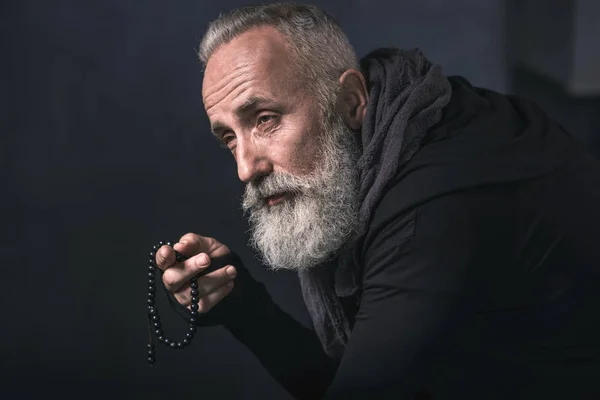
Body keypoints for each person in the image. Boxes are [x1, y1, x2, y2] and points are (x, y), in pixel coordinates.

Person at [154, 3, 600, 399]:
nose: (246, 168)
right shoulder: (404, 121)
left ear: (351, 101)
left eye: (266, 119)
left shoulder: (433, 206)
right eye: (229, 138)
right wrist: (243, 305)